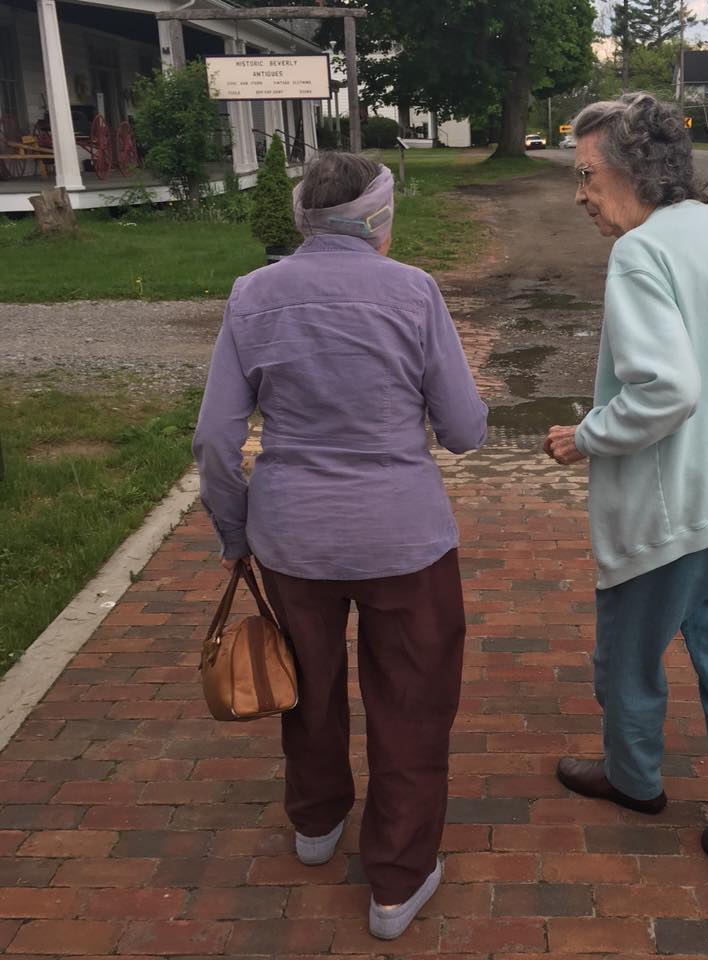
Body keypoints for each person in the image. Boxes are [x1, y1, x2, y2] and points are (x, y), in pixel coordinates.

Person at [193, 152, 488, 939]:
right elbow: (462, 431)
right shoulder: (414, 292)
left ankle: (317, 823)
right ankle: (396, 882)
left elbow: (217, 441)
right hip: (405, 539)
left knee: (309, 686)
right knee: (413, 706)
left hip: (293, 539)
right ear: (377, 218)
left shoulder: (253, 295)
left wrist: (234, 530)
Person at [543, 93, 708, 900]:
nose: (579, 192)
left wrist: (585, 435)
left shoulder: (640, 252)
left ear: (631, 171)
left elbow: (667, 390)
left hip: (677, 511)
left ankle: (634, 778)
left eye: (586, 175)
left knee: (625, 659)